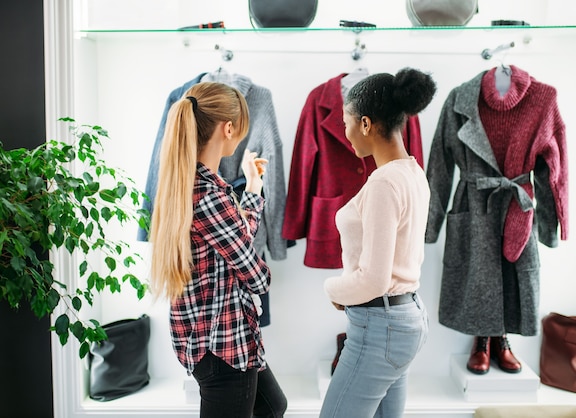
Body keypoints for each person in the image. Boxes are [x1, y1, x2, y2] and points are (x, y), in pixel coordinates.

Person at [149, 81, 287, 418]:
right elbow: (257, 278)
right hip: (222, 346)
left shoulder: (193, 184)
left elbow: (234, 239)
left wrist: (253, 188)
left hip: (216, 338)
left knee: (272, 406)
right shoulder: (211, 195)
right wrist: (256, 264)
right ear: (228, 129)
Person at [320, 68, 437, 418]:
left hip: (380, 327)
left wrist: (332, 288)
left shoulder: (384, 183)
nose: (345, 132)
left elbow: (373, 279)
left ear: (366, 124)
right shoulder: (413, 173)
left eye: (347, 123)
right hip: (404, 317)